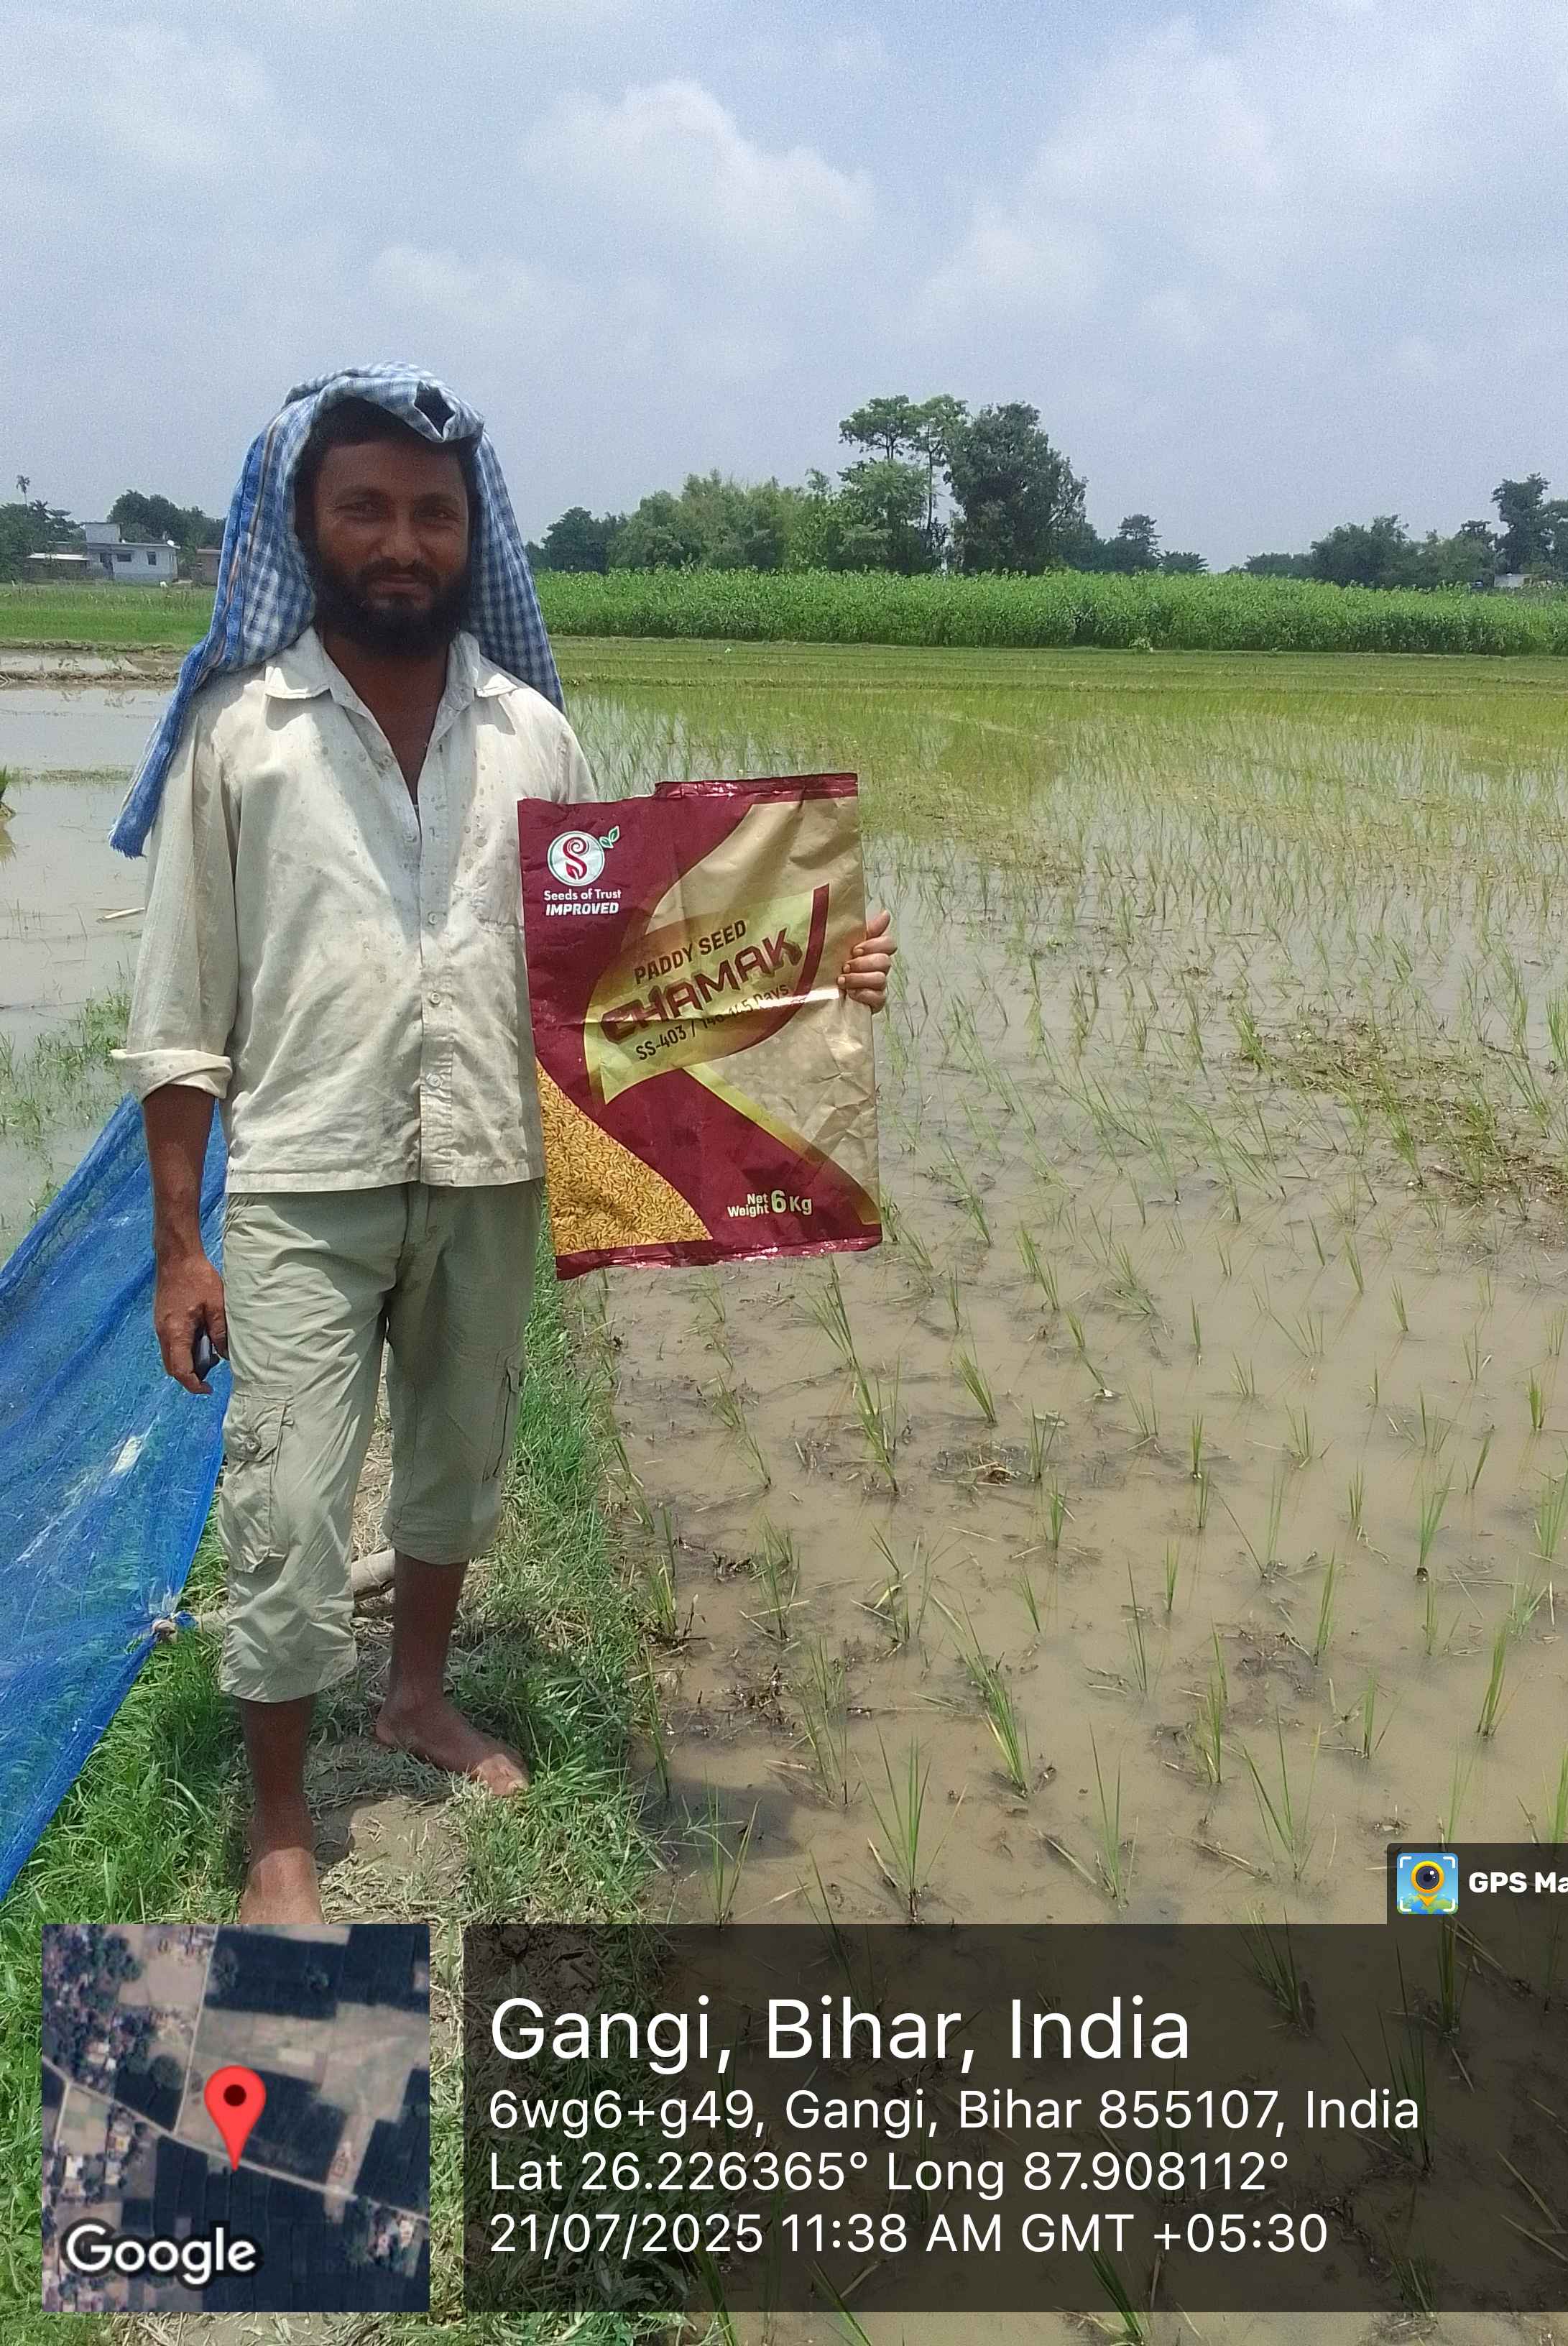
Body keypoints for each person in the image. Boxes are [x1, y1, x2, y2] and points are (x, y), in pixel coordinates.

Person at [114, 372, 895, 1923]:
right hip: (305, 1179)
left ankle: (416, 1697)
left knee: (458, 1463)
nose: (400, 541)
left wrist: (814, 971)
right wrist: (180, 1245)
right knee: (285, 1504)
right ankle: (282, 1827)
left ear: (474, 538)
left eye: (433, 514)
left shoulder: (533, 732)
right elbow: (180, 1015)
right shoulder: (242, 736)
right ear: (307, 527)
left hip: (487, 1167)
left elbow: (623, 970)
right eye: (365, 508)